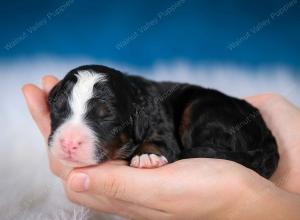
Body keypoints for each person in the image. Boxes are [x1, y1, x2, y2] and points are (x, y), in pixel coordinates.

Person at [22, 75, 300, 220]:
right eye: (61, 110)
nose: (70, 138)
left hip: (228, 120)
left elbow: (162, 135)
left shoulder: (148, 112)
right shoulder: (128, 104)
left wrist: (151, 149)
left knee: (198, 110)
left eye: (103, 114)